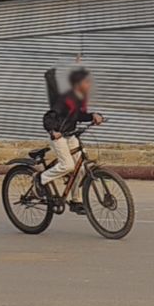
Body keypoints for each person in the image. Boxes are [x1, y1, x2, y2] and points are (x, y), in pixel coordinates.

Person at [40, 67, 103, 213]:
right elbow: (49, 116)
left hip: (71, 135)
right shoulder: (65, 99)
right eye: (86, 82)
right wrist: (53, 131)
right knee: (68, 166)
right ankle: (41, 179)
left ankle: (76, 200)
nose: (89, 84)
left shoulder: (78, 98)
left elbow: (78, 116)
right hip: (59, 136)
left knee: (80, 169)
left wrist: (93, 116)